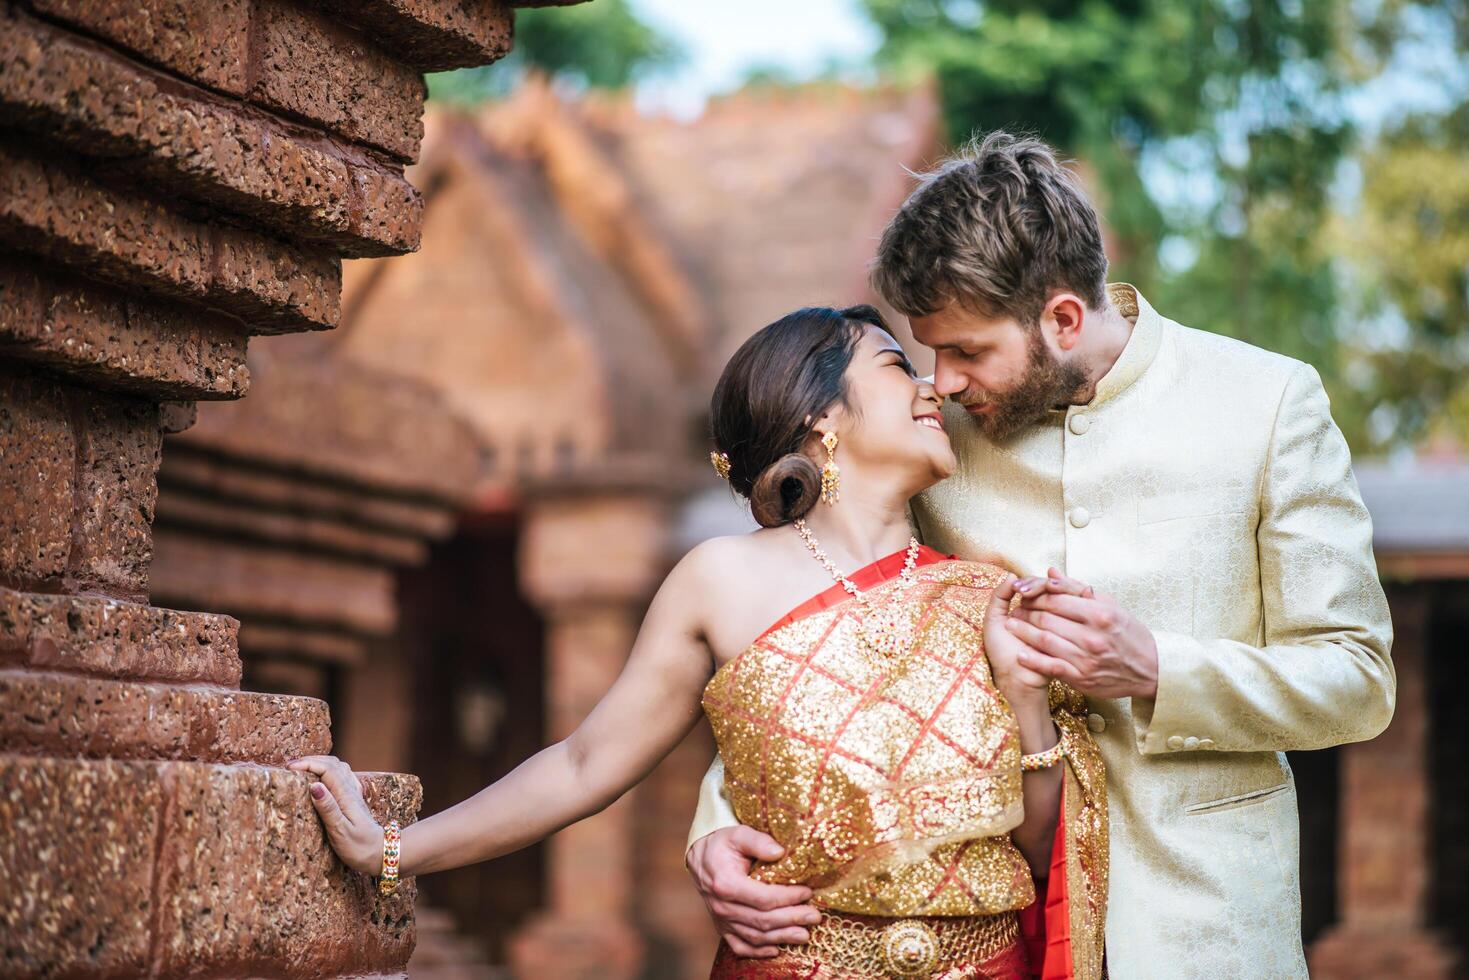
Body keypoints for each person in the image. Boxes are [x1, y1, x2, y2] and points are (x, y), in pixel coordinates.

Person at [684, 132, 1396, 979]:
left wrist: (1154, 668)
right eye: (928, 351)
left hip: (1201, 929)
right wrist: (715, 824)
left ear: (1061, 318)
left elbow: (1355, 680)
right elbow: (813, 633)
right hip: (986, 936)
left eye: (967, 351)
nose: (940, 382)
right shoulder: (929, 445)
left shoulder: (1267, 404)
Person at [291, 304, 1108, 979]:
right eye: (898, 367)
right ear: (821, 414)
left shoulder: (982, 594)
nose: (933, 387)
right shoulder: (720, 579)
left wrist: (1027, 697)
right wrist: (391, 850)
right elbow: (583, 766)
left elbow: (1036, 853)